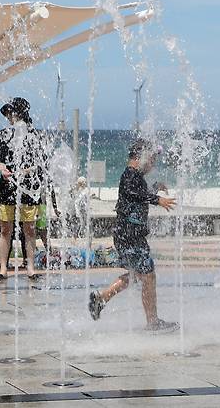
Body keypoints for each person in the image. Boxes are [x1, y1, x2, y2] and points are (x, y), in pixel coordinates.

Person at [88, 139, 178, 332]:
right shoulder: (130, 175)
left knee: (137, 275)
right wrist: (157, 199)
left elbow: (136, 194)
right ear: (140, 157)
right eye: (152, 159)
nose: (153, 163)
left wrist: (154, 188)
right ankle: (152, 322)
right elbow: (131, 192)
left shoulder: (136, 177)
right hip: (130, 236)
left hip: (128, 234)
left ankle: (101, 298)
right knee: (148, 276)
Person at [0, 97, 45, 282]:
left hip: (28, 185)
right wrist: (3, 169)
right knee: (5, 228)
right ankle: (3, 268)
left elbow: (40, 162)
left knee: (29, 228)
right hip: (7, 185)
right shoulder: (4, 134)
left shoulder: (33, 134)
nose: (8, 117)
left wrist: (24, 171)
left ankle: (30, 268)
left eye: (10, 113)